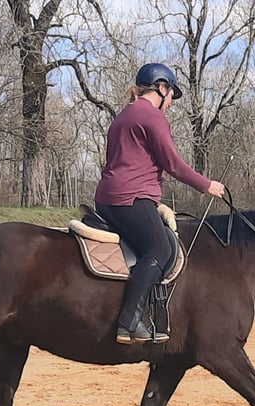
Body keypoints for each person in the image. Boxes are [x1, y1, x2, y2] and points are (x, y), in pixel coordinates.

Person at [95, 62, 226, 345]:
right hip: (129, 198)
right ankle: (129, 321)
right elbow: (173, 164)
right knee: (160, 249)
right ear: (162, 88)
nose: (171, 104)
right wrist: (207, 185)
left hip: (108, 197)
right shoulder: (151, 117)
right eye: (171, 96)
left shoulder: (123, 116)